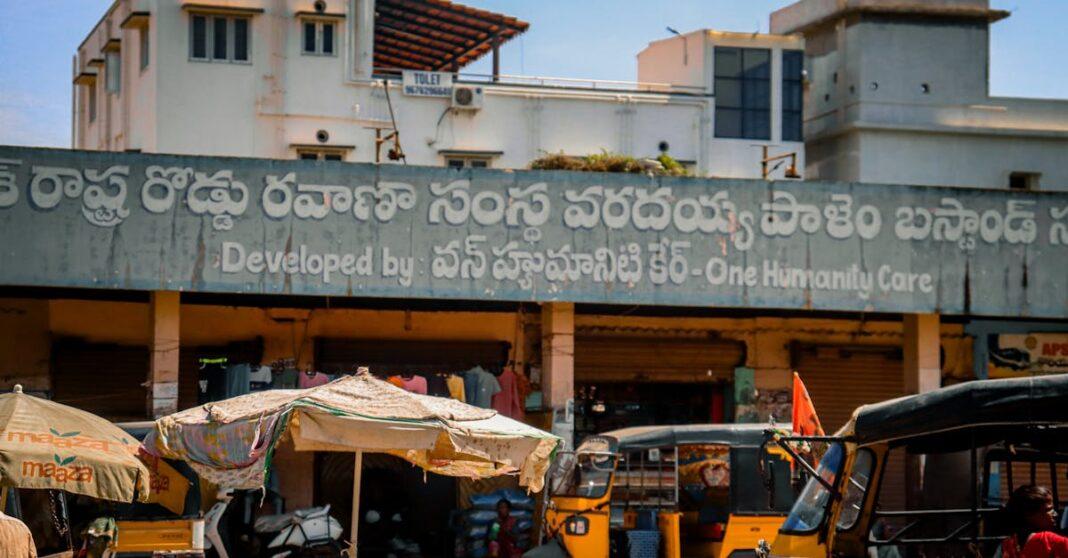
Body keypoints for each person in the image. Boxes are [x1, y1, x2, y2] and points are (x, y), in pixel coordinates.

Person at [1002, 485, 1068, 558]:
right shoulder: (1050, 540)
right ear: (1029, 513)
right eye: (1048, 509)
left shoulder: (1009, 543)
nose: (1055, 514)